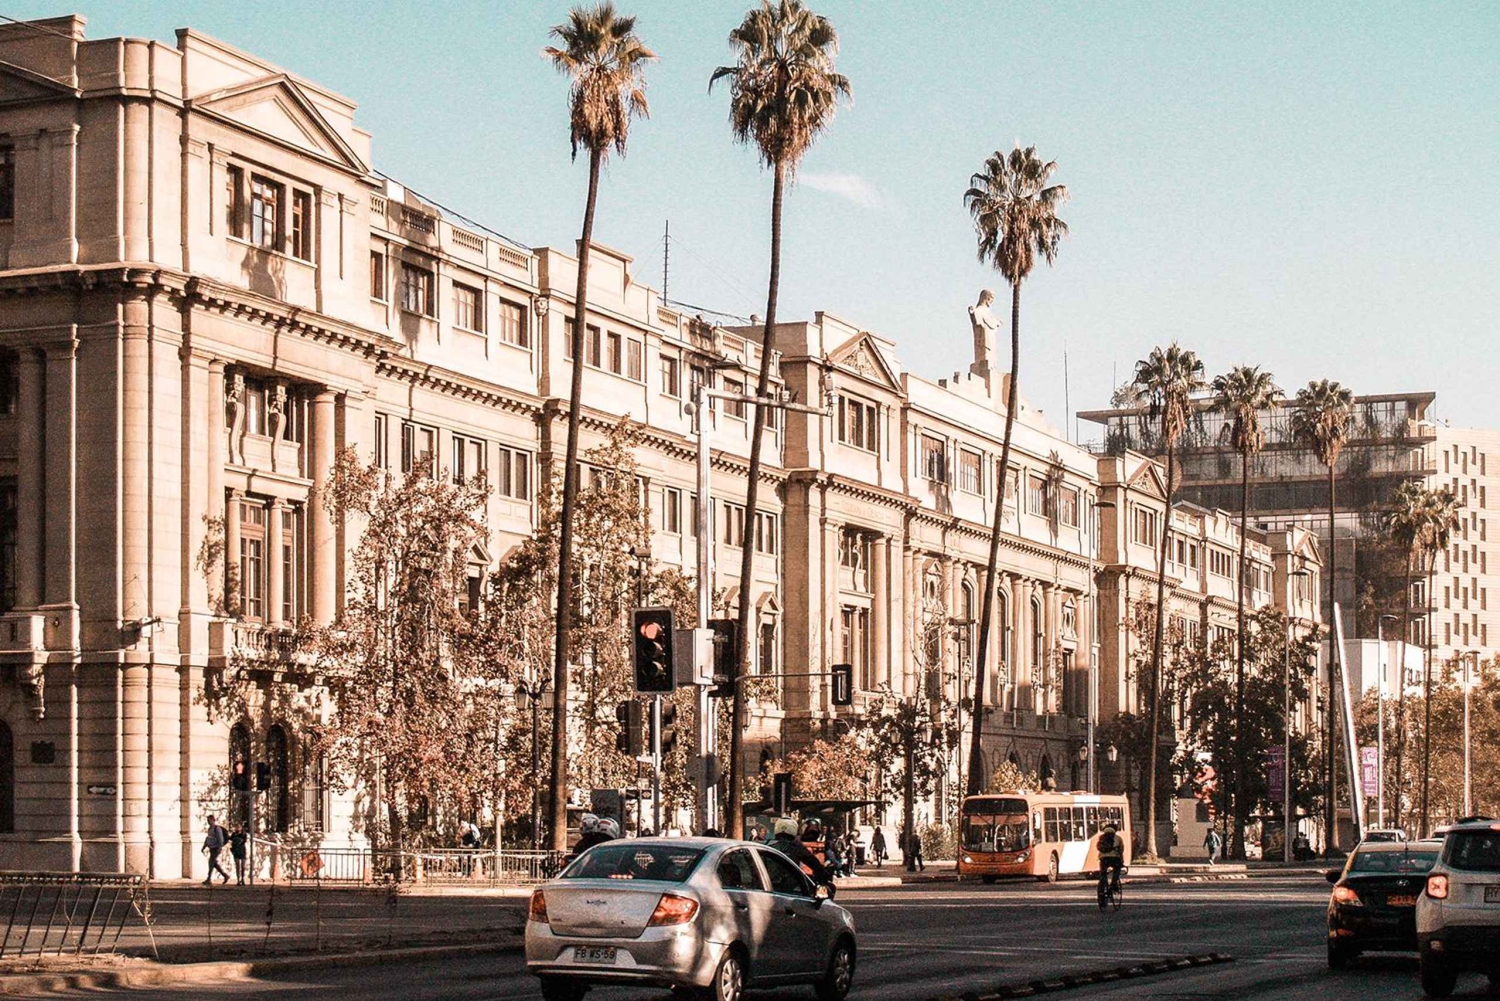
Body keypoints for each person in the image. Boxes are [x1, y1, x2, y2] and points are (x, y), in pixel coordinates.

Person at [770, 818, 833, 887]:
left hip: (768, 885)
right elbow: (813, 862)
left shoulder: (768, 845)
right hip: (790, 887)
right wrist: (824, 875)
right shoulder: (795, 846)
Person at [1096, 824, 1125, 898]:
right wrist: (1122, 861)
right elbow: (1121, 850)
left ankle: (1102, 887)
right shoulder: (1118, 838)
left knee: (1103, 873)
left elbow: (1099, 847)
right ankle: (1114, 884)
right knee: (1117, 870)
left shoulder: (1101, 838)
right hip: (1114, 858)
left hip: (1103, 859)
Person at [202, 815, 231, 886]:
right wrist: (204, 846)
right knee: (213, 863)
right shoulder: (210, 829)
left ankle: (209, 879)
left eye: (209, 820)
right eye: (207, 821)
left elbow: (220, 839)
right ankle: (225, 875)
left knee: (211, 862)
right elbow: (208, 838)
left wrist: (219, 847)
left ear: (213, 820)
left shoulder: (217, 828)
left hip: (216, 848)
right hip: (211, 847)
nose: (208, 822)